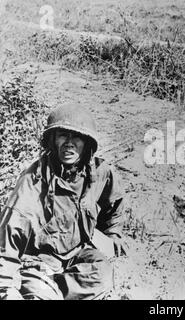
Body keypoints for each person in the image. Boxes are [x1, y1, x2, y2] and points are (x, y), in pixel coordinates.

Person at [0, 104, 127, 300]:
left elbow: (113, 207)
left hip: (79, 254)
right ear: (52, 141)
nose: (69, 143)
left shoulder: (99, 173)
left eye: (76, 137)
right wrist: (5, 289)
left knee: (101, 273)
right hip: (40, 263)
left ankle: (57, 292)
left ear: (87, 144)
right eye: (62, 135)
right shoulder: (32, 184)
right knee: (38, 292)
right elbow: (7, 241)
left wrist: (112, 237)